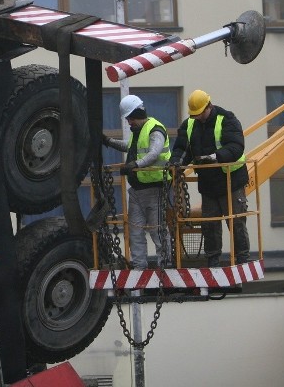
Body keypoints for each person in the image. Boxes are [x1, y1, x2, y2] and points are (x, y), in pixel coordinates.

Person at [170, 89, 250, 267]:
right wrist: (176, 164)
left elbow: (236, 147)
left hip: (231, 180)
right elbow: (182, 149)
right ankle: (213, 258)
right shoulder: (190, 124)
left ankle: (242, 258)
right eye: (195, 115)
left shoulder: (227, 119)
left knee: (236, 220)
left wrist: (215, 157)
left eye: (200, 113)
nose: (198, 117)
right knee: (210, 223)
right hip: (208, 183)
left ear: (209, 106)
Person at [102, 94, 172, 269]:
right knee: (135, 231)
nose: (129, 122)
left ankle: (166, 266)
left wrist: (134, 165)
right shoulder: (138, 132)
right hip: (137, 191)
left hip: (155, 189)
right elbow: (130, 146)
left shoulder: (155, 129)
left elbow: (153, 154)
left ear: (137, 115)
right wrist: (108, 141)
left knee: (157, 230)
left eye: (130, 119)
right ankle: (139, 267)